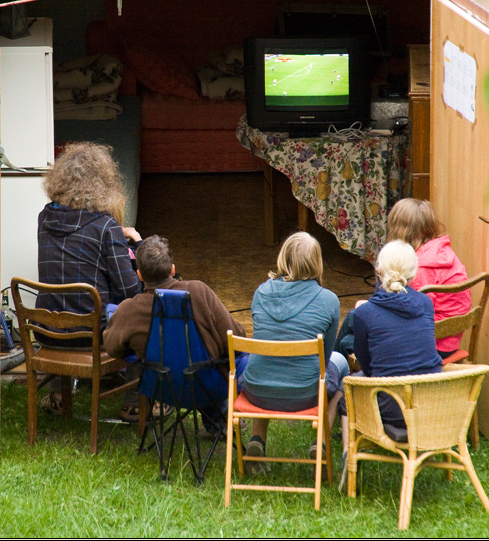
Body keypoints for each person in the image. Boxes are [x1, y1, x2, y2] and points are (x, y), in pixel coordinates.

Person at [35, 142, 143, 413]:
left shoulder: (44, 219)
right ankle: (133, 406)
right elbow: (131, 290)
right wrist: (131, 242)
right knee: (145, 320)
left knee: (64, 298)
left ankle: (56, 397)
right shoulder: (106, 227)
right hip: (92, 337)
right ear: (103, 185)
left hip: (46, 333)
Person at [103, 235, 247, 423]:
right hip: (209, 386)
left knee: (191, 365)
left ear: (139, 275)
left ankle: (216, 421)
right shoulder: (199, 291)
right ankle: (220, 420)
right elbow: (238, 338)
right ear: (173, 269)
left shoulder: (130, 309)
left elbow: (112, 348)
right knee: (226, 361)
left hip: (160, 388)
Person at [238, 232, 348, 472]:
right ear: (316, 262)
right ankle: (320, 443)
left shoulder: (260, 293)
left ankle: (257, 439)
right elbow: (325, 358)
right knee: (342, 364)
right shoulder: (329, 300)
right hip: (306, 393)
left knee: (269, 359)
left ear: (283, 258)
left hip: (257, 390)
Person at [335, 239, 443, 437]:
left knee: (348, 389)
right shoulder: (426, 304)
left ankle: (348, 462)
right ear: (414, 273)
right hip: (429, 406)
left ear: (378, 270)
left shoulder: (364, 313)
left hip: (389, 409)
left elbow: (367, 367)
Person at [386, 198, 471, 360]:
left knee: (357, 323)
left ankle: (333, 371)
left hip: (429, 346)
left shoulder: (419, 267)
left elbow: (411, 315)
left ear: (400, 231)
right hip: (450, 341)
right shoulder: (442, 252)